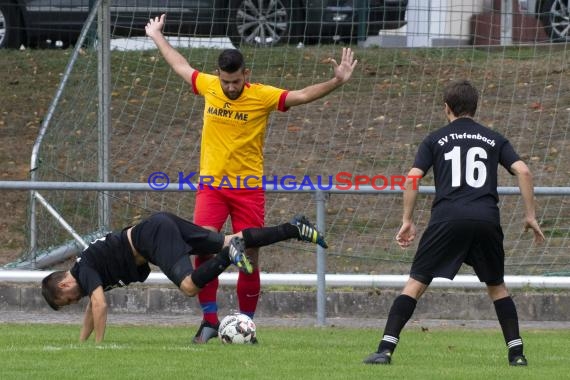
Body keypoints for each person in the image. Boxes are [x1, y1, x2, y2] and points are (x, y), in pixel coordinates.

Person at [145, 14, 356, 343]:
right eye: (225, 81)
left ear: (246, 74)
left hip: (248, 190)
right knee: (203, 251)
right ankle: (210, 320)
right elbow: (180, 66)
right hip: (211, 188)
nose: (230, 87)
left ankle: (246, 324)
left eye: (236, 81)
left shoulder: (262, 95)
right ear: (219, 75)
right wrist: (157, 36)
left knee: (250, 257)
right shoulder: (209, 87)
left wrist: (337, 81)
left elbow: (300, 96)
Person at [363, 80, 545, 366]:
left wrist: (407, 220)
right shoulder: (494, 138)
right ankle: (517, 355)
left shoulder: (435, 139)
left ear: (446, 108)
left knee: (417, 283)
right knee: (497, 286)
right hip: (486, 217)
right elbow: (523, 170)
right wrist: (530, 215)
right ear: (475, 108)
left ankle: (384, 350)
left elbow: (412, 177)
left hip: (447, 218)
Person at [41, 211, 327, 343]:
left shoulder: (84, 269)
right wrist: (81, 345)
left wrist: (98, 348)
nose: (73, 301)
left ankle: (229, 257)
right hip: (158, 225)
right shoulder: (84, 269)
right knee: (231, 238)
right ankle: (294, 227)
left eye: (67, 300)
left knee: (189, 286)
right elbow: (93, 306)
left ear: (64, 284)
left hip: (153, 237)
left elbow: (99, 305)